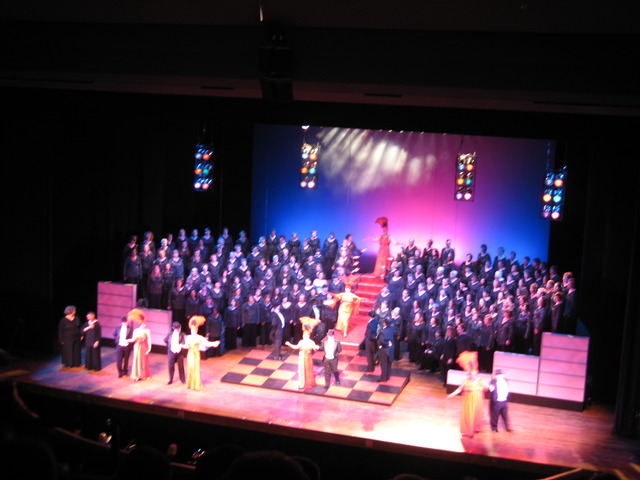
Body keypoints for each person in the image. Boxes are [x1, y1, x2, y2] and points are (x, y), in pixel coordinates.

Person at [447, 351, 485, 438]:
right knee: (469, 415)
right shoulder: (466, 381)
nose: (474, 376)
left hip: (478, 399)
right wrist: (451, 394)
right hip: (469, 400)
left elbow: (485, 388)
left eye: (475, 374)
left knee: (476, 414)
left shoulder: (480, 380)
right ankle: (469, 432)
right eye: (472, 375)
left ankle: (475, 428)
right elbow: (459, 389)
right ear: (469, 375)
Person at [184, 315, 220, 390]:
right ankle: (190, 383)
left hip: (196, 354)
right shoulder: (188, 337)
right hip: (190, 355)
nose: (193, 331)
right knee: (190, 368)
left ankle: (196, 384)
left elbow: (207, 343)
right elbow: (186, 346)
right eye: (192, 330)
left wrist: (214, 343)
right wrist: (180, 346)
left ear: (197, 330)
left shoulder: (199, 337)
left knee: (196, 368)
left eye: (194, 330)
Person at [129, 308, 152, 382]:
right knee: (137, 359)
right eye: (143, 323)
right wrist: (126, 340)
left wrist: (149, 349)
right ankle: (137, 375)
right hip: (137, 346)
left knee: (144, 361)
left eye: (145, 323)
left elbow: (149, 340)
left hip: (144, 346)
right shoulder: (136, 330)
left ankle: (144, 374)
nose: (144, 325)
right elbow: (133, 339)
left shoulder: (147, 330)